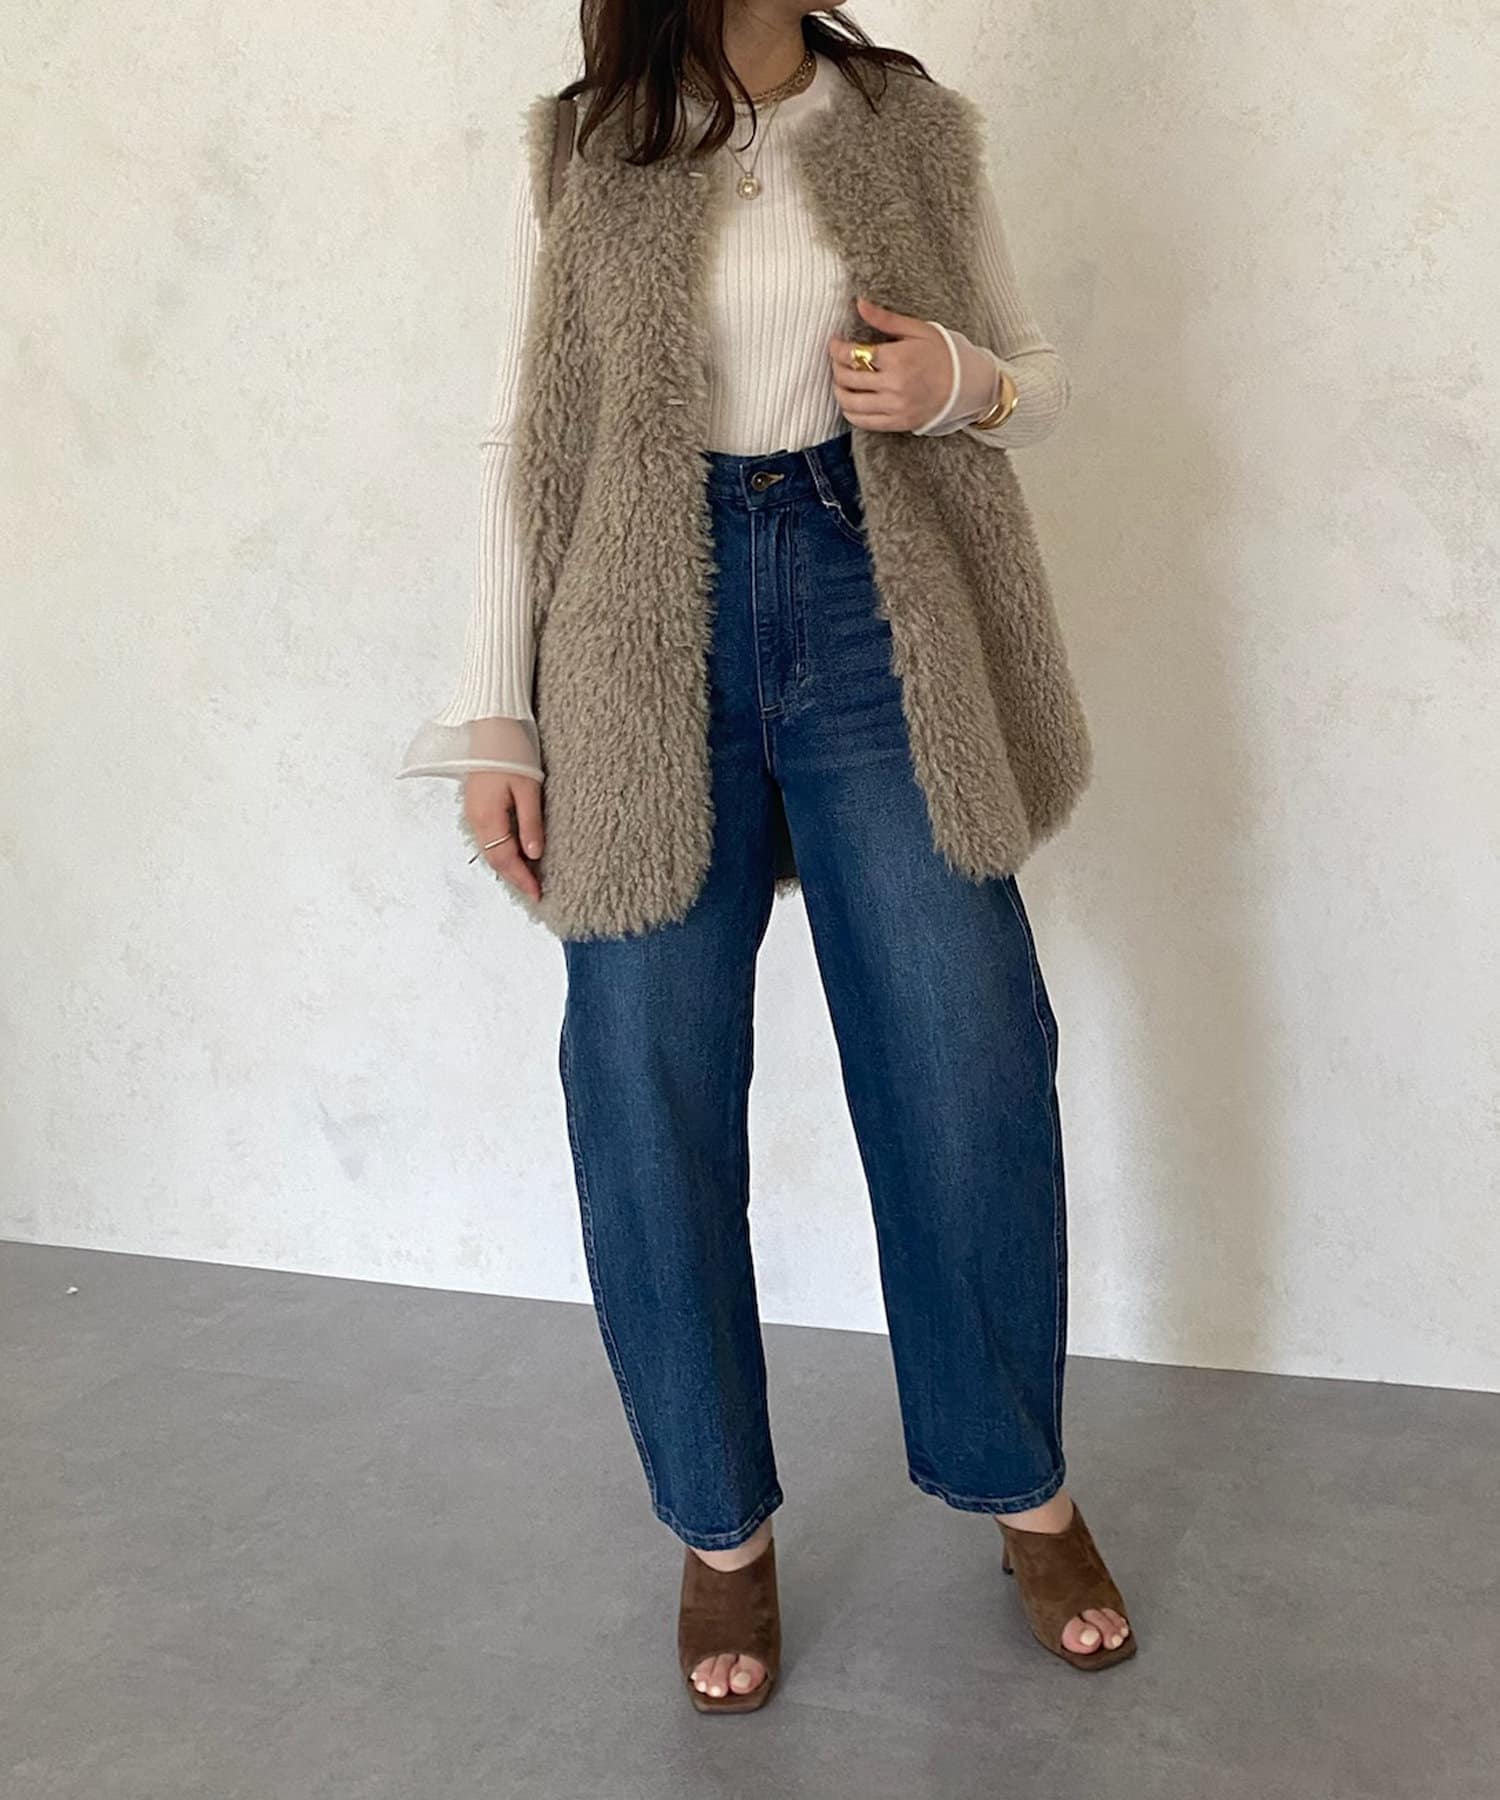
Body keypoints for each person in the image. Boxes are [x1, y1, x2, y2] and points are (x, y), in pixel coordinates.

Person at [398, 0, 1136, 1711]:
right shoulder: (585, 142)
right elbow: (528, 437)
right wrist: (495, 713)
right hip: (640, 627)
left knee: (965, 1052)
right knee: (644, 1076)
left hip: (877, 600)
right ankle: (719, 1529)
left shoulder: (909, 123)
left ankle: (1020, 1482)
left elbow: (1034, 378)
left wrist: (966, 384)